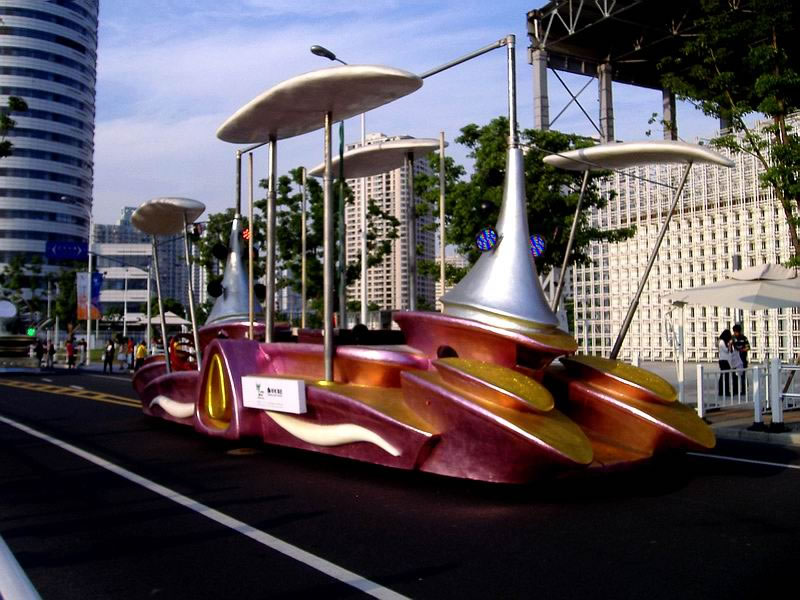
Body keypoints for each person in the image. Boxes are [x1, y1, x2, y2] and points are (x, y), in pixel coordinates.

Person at [718, 329, 738, 396]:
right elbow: (726, 350)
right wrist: (729, 344)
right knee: (724, 377)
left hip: (726, 360)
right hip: (723, 360)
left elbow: (730, 351)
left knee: (725, 376)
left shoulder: (724, 342)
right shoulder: (721, 342)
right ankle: (724, 391)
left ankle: (724, 391)